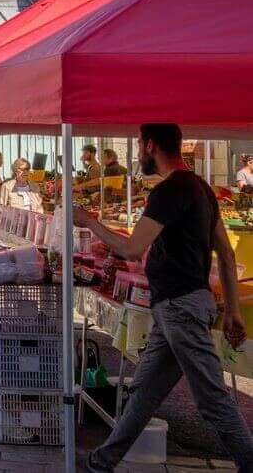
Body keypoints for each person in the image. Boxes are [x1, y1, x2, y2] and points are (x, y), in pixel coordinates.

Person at [75, 124, 252, 473]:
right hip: (179, 306)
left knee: (212, 399)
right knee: (144, 392)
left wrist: (89, 222)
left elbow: (131, 247)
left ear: (151, 144)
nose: (138, 152)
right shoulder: (201, 188)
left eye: (140, 145)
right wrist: (232, 311)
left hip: (180, 307)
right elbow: (226, 256)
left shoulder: (170, 191)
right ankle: (102, 461)